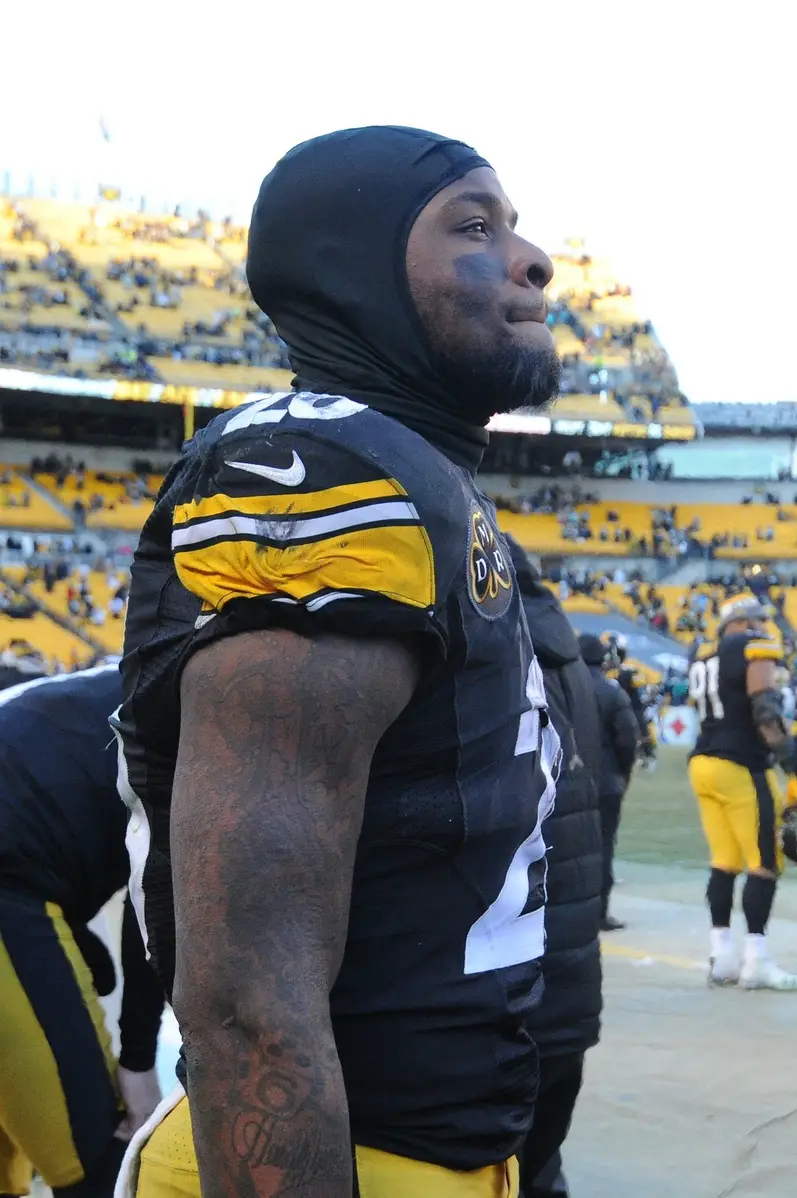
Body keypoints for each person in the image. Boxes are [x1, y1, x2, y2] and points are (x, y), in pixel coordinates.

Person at [111, 125, 563, 1198]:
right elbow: (249, 1005)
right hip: (337, 1159)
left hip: (428, 1149)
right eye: (472, 224)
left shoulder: (418, 482)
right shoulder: (317, 471)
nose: (530, 255)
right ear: (353, 273)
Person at [0, 665, 164, 1198]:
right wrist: (137, 1061)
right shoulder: (214, 712)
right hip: (13, 867)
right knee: (100, 1161)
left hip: (25, 857)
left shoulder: (153, 666)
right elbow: (163, 898)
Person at [507, 541, 602, 1198]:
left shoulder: (494, 658)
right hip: (567, 968)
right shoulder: (566, 662)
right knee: (538, 1161)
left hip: (499, 978)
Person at [687, 596, 797, 989]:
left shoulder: (700, 653)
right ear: (739, 622)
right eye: (756, 620)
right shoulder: (751, 646)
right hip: (741, 764)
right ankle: (757, 961)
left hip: (703, 764)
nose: (763, 627)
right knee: (765, 860)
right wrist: (789, 760)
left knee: (724, 859)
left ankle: (721, 957)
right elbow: (764, 708)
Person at [578, 634, 639, 931]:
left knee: (566, 848)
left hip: (568, 781)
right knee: (603, 847)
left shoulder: (561, 687)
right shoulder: (613, 691)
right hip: (606, 781)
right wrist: (621, 773)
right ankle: (599, 913)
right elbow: (628, 739)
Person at [605, 632, 656, 769]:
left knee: (641, 722)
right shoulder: (604, 670)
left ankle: (646, 752)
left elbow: (640, 681)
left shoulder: (627, 668)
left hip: (629, 707)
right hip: (612, 707)